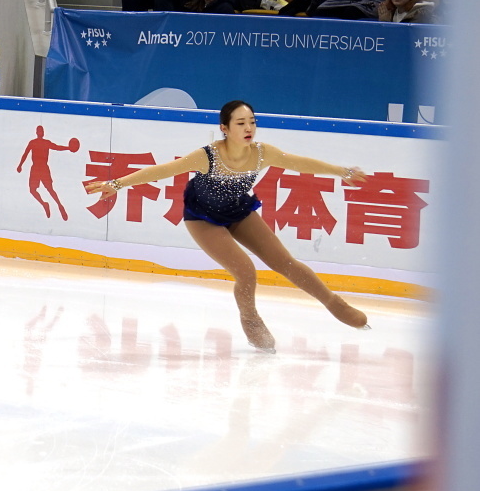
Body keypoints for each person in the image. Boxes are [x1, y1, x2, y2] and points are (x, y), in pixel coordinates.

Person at [86, 100, 370, 353]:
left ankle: (335, 304)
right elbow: (163, 170)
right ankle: (251, 319)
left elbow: (300, 163)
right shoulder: (207, 156)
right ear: (224, 128)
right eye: (241, 123)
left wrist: (342, 171)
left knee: (285, 262)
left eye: (252, 122)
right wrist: (116, 183)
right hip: (202, 218)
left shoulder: (262, 153)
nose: (249, 128)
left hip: (238, 211)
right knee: (246, 271)